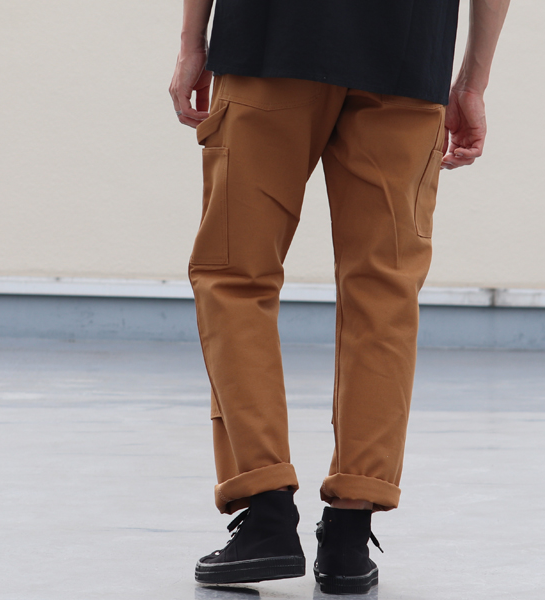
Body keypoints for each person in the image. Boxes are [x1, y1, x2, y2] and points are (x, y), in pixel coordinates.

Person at [170, 0, 510, 594]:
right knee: (384, 290)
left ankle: (266, 512)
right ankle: (351, 532)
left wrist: (191, 43)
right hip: (406, 55)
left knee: (236, 276)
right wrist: (472, 82)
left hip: (269, 41)